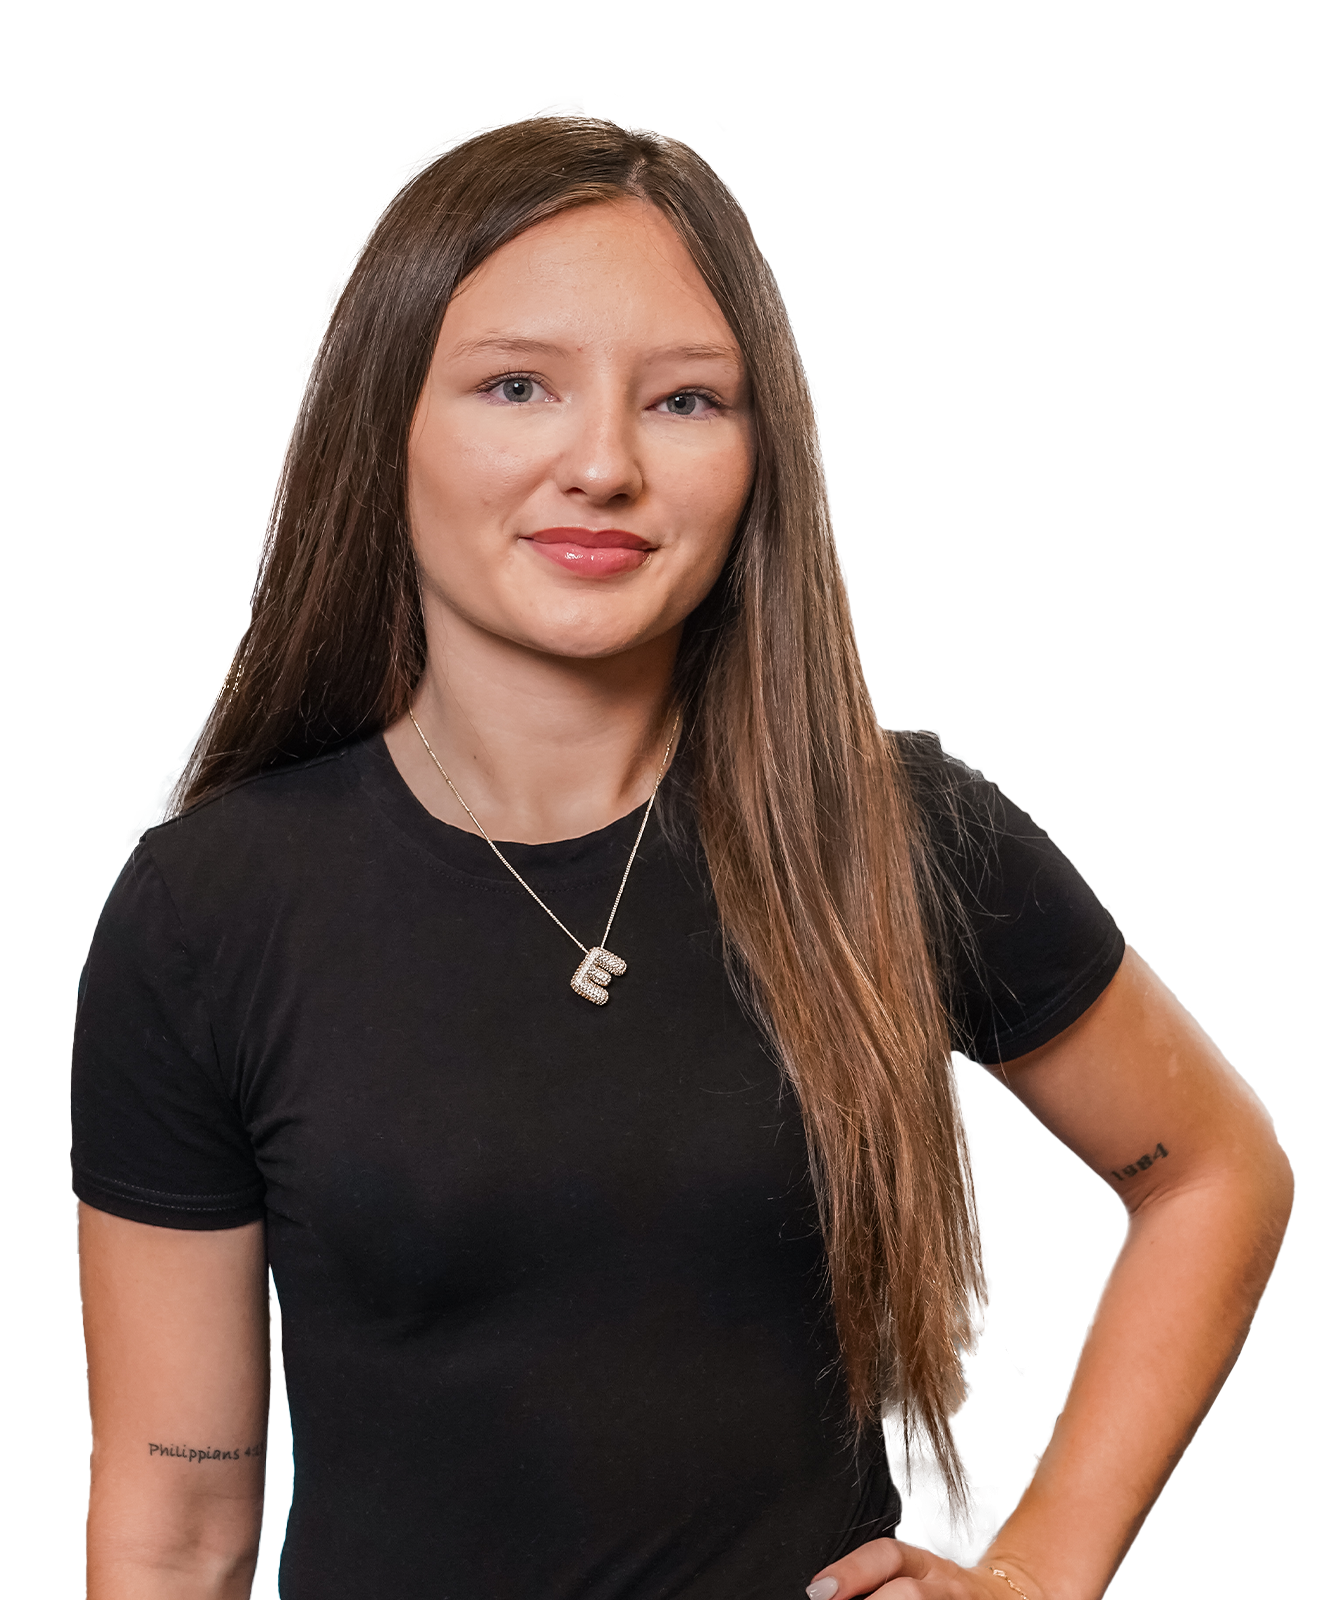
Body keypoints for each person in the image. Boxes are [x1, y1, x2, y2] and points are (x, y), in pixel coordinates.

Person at [71, 115, 1293, 1600]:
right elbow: (175, 1534)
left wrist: (1038, 1571)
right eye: (518, 385)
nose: (602, 464)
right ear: (383, 422)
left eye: (688, 401)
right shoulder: (212, 911)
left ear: (758, 449)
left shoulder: (898, 836)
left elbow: (1215, 1171)